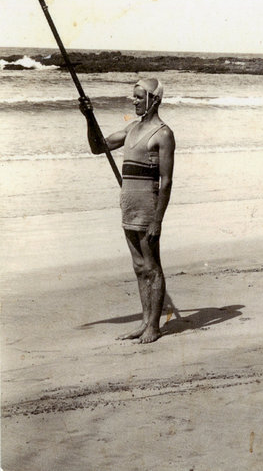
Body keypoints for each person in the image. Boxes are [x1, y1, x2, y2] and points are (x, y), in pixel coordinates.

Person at [81, 78, 176, 343]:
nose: (133, 101)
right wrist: (89, 116)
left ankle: (154, 327)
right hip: (128, 204)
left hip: (147, 205)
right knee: (138, 266)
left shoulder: (163, 134)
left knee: (152, 266)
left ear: (153, 100)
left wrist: (158, 220)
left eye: (138, 97)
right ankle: (145, 321)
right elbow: (98, 146)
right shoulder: (132, 129)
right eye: (133, 97)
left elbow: (166, 181)